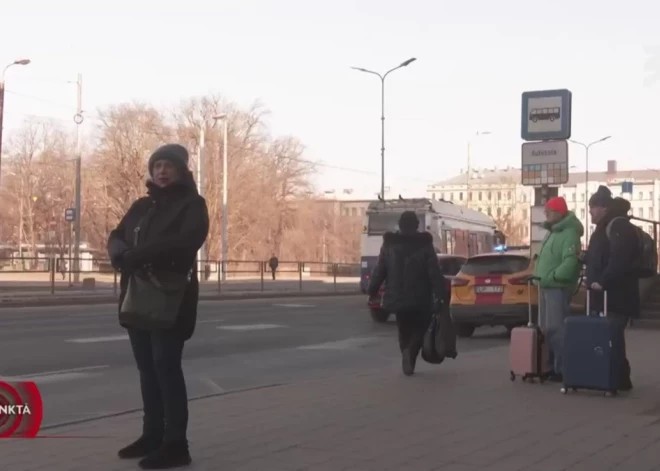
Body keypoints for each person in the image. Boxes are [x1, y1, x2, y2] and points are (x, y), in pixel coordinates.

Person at [107, 143, 209, 469]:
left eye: (168, 165)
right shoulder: (141, 206)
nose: (161, 171)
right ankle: (151, 435)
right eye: (157, 166)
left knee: (166, 366)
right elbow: (117, 235)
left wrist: (140, 255)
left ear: (181, 170)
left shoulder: (192, 205)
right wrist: (120, 254)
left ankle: (176, 443)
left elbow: (186, 241)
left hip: (170, 296)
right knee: (146, 368)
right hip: (137, 294)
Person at [367, 211, 449, 376]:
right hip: (421, 297)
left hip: (397, 296)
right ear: (416, 226)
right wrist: (441, 294)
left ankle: (406, 352)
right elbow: (434, 271)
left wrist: (372, 289)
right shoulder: (424, 244)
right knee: (421, 326)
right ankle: (411, 351)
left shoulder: (390, 245)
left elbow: (380, 269)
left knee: (403, 328)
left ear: (400, 225)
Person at [585, 185, 637, 391]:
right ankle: (611, 376)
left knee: (613, 335)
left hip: (616, 294)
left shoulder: (618, 226)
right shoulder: (603, 227)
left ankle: (620, 379)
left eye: (593, 207)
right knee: (608, 336)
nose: (590, 211)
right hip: (603, 295)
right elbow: (602, 257)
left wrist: (603, 281)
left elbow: (619, 259)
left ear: (604, 208)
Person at [533, 196, 583, 382]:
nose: (545, 215)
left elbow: (570, 262)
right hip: (546, 285)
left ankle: (561, 368)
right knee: (547, 328)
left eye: (549, 212)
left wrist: (552, 277)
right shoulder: (553, 231)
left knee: (557, 328)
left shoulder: (569, 233)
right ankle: (552, 365)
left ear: (559, 212)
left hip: (557, 286)